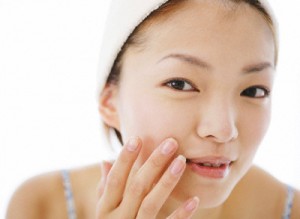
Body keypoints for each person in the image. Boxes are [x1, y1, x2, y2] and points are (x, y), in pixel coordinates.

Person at [6, 0, 300, 218]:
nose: (223, 130)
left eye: (254, 90)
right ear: (110, 101)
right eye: (181, 84)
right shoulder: (41, 205)